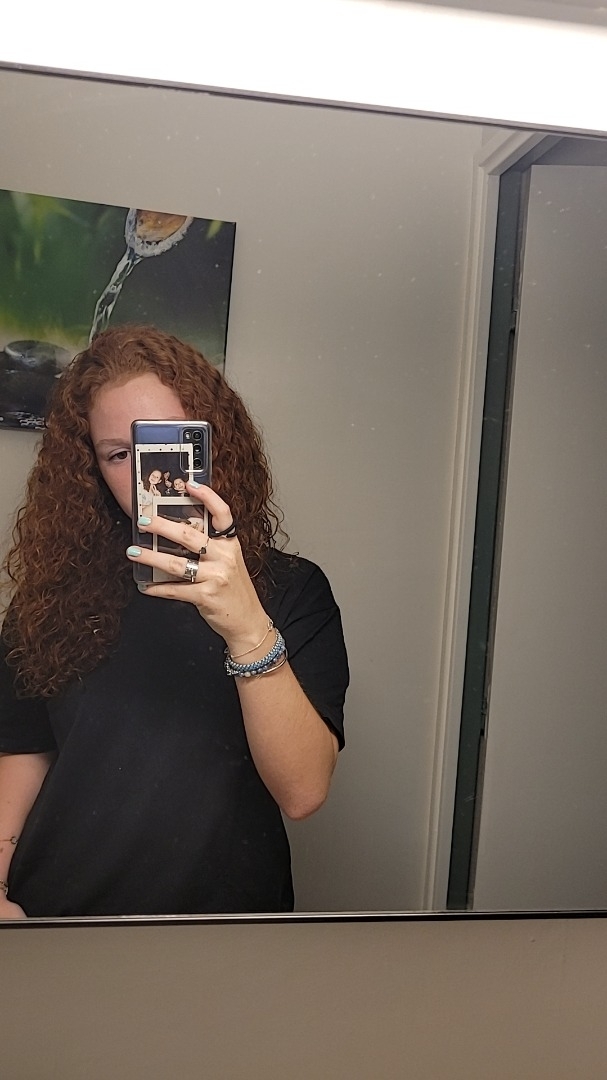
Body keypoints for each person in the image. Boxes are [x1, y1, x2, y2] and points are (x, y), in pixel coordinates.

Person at [0, 325, 348, 918]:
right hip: (59, 915)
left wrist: (246, 626)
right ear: (91, 468)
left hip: (222, 925)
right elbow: (24, 749)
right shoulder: (53, 593)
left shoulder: (293, 589)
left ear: (215, 445)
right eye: (119, 454)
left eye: (168, 446)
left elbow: (303, 791)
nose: (150, 476)